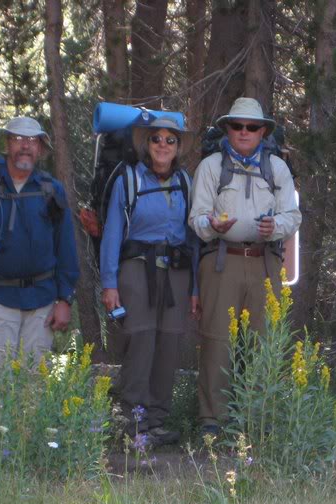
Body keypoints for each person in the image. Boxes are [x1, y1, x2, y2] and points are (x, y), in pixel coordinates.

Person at [189, 97, 302, 436]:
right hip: (222, 260)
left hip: (264, 262)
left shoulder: (277, 168)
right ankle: (213, 420)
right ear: (227, 128)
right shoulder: (211, 166)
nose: (243, 132)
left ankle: (255, 418)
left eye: (251, 127)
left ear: (263, 131)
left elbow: (292, 216)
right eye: (237, 126)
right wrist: (213, 226)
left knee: (262, 340)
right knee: (217, 340)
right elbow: (196, 218)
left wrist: (275, 228)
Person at [0, 116, 80, 367]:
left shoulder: (51, 190)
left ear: (40, 149)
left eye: (32, 140)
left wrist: (65, 299)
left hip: (42, 302)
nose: (25, 146)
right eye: (18, 139)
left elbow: (65, 247)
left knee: (34, 388)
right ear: (6, 145)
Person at [100, 115, 199, 447]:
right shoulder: (128, 180)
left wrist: (196, 289)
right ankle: (130, 422)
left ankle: (156, 421)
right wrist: (109, 284)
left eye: (170, 140)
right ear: (146, 143)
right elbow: (112, 234)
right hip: (137, 270)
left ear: (178, 146)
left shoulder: (185, 181)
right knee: (140, 342)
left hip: (176, 273)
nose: (162, 145)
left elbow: (194, 240)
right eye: (156, 139)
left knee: (168, 347)